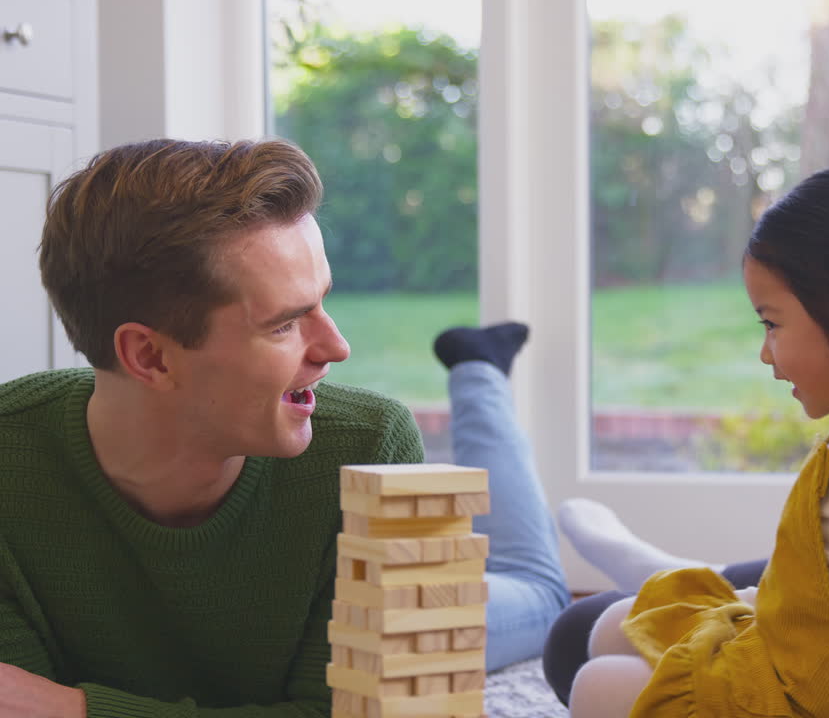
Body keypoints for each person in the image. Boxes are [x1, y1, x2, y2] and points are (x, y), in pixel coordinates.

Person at [0, 138, 568, 717]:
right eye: (284, 324)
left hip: (404, 606)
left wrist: (75, 709)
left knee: (542, 598)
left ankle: (479, 370)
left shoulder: (368, 445)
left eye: (321, 302)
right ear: (150, 357)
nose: (337, 347)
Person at [555, 159, 829, 718]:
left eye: (772, 324)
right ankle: (666, 579)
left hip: (812, 692)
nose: (766, 353)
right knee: (613, 624)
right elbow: (826, 589)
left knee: (595, 686)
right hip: (791, 640)